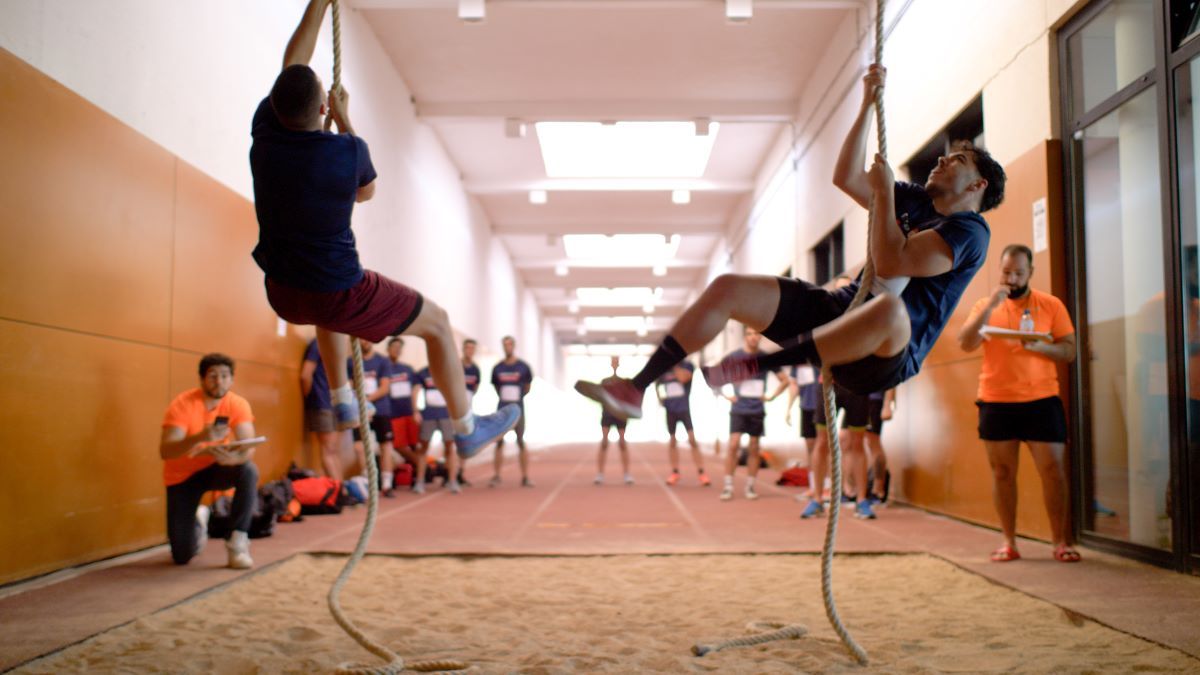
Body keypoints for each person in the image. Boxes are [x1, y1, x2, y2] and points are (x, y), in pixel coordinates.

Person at [576, 63, 1005, 427]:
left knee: (889, 309)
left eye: (957, 160)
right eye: (945, 156)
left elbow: (893, 261)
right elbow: (846, 176)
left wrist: (885, 194)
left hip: (885, 352)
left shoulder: (971, 232)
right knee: (728, 287)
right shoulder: (915, 198)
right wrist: (865, 106)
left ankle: (758, 365)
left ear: (977, 185)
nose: (942, 160)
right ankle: (636, 387)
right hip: (839, 309)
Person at [249, 0, 518, 457]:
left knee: (325, 305)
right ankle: (467, 427)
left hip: (283, 292)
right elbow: (366, 191)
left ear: (275, 106)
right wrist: (345, 120)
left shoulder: (266, 131)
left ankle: (343, 399)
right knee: (437, 324)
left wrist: (318, 5)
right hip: (333, 291)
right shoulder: (345, 151)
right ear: (322, 109)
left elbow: (292, 64)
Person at [957, 243, 1080, 563]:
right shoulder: (986, 304)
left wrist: (1041, 347)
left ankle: (1060, 542)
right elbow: (966, 343)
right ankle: (1009, 542)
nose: (1011, 278)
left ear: (1030, 273)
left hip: (1042, 399)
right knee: (1002, 472)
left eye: (1018, 273)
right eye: (1006, 272)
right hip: (997, 400)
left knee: (1053, 471)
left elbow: (1069, 350)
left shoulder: (1050, 305)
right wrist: (988, 309)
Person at [159, 354, 260, 569]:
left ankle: (237, 541)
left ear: (231, 380)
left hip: (217, 468)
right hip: (182, 476)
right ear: (202, 379)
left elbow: (248, 447)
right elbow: (166, 451)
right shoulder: (182, 404)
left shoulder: (237, 404)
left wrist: (235, 458)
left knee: (248, 470)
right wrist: (201, 437)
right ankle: (199, 520)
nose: (219, 381)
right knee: (181, 556)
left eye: (224, 376)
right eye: (213, 376)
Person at [718, 326, 790, 501]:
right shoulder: (734, 357)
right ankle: (728, 486)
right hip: (738, 409)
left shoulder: (765, 358)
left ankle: (750, 486)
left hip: (757, 409)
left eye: (756, 334)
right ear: (745, 336)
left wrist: (772, 396)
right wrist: (726, 395)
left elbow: (785, 380)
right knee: (733, 444)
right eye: (750, 334)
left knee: (754, 447)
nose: (753, 337)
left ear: (760, 337)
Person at [799, 382, 875, 519]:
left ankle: (862, 501)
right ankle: (817, 499)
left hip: (858, 385)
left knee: (857, 442)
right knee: (822, 442)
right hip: (829, 384)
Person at [347, 338, 396, 496]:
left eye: (366, 338)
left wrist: (366, 401)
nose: (364, 341)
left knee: (385, 446)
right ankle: (367, 482)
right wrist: (358, 405)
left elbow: (385, 387)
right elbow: (349, 386)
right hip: (359, 411)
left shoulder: (382, 361)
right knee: (359, 447)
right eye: (360, 338)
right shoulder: (351, 361)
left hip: (380, 410)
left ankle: (387, 484)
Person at [488, 336, 535, 487]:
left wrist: (518, 399)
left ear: (514, 346)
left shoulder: (523, 367)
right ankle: (496, 475)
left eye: (509, 345)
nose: (507, 347)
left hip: (518, 409)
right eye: (505, 345)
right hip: (502, 410)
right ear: (503, 347)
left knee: (521, 441)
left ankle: (525, 476)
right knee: (499, 442)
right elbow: (496, 387)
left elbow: (527, 387)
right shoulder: (497, 368)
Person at [656, 359, 710, 486]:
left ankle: (702, 472)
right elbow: (658, 385)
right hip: (670, 410)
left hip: (684, 409)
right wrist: (660, 399)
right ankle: (675, 472)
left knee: (692, 440)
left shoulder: (687, 365)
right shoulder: (663, 368)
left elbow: (683, 379)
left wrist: (673, 365)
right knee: (672, 441)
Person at [300, 338, 347, 479]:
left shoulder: (335, 344)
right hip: (322, 403)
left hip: (333, 404)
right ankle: (339, 491)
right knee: (328, 450)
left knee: (334, 450)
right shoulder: (318, 343)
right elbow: (305, 375)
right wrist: (312, 398)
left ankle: (341, 489)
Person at [414, 365, 460, 494]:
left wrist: (456, 412)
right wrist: (415, 410)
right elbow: (416, 391)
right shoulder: (422, 373)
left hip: (446, 414)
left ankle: (452, 481)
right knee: (423, 447)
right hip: (429, 414)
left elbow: (454, 391)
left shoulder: (448, 371)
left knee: (450, 446)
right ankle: (419, 482)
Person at [385, 337, 423, 489]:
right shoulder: (384, 367)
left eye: (399, 347)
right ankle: (420, 462)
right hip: (393, 414)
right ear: (388, 349)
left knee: (414, 444)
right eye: (394, 347)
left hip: (409, 413)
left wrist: (415, 410)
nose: (397, 350)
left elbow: (415, 389)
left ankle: (418, 477)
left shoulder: (407, 369)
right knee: (398, 445)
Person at [595, 357, 634, 486]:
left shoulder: (624, 382)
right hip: (607, 414)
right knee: (604, 442)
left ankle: (627, 474)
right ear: (611, 363)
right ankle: (600, 474)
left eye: (616, 361)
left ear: (619, 364)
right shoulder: (604, 381)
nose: (615, 363)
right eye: (613, 361)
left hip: (620, 415)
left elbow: (628, 398)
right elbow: (600, 397)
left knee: (622, 442)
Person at [864, 388, 896, 503]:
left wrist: (888, 403)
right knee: (847, 439)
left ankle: (878, 488)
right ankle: (853, 489)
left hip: (874, 399)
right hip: (859, 398)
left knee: (873, 442)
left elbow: (891, 375)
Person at [457, 338, 481, 486]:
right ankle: (450, 473)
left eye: (472, 348)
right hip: (454, 408)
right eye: (467, 348)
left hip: (467, 410)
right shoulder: (456, 365)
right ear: (463, 349)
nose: (469, 351)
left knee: (464, 440)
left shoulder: (475, 369)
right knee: (450, 441)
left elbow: (476, 387)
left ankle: (460, 471)